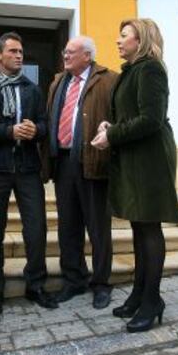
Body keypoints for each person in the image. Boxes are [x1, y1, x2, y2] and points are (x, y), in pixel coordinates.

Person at [92, 18, 178, 333]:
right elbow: (127, 115)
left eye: (124, 35)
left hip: (150, 158)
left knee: (148, 227)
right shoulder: (131, 71)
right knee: (138, 226)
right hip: (133, 156)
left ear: (140, 40)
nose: (117, 40)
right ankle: (139, 294)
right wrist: (109, 126)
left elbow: (151, 119)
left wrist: (113, 135)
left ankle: (152, 300)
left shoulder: (151, 69)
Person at [0, 31, 57, 318]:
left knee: (36, 229)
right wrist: (9, 131)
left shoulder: (32, 89)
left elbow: (45, 124)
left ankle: (35, 285)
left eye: (21, 52)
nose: (19, 56)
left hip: (28, 168)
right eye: (13, 51)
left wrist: (37, 131)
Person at [42, 36, 118, 309]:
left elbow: (118, 120)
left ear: (87, 56)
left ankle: (101, 284)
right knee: (68, 226)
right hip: (63, 162)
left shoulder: (108, 79)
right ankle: (74, 279)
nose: (65, 55)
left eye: (71, 52)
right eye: (65, 51)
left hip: (93, 161)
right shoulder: (58, 81)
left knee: (98, 227)